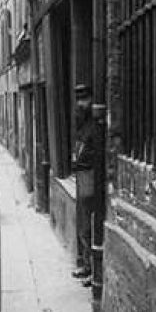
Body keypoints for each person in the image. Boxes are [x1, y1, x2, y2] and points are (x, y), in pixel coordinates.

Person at [71, 83, 95, 287]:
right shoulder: (82, 124)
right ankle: (87, 265)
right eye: (78, 99)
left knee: (88, 223)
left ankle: (92, 271)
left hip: (89, 175)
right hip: (81, 174)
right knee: (82, 223)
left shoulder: (94, 125)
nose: (80, 103)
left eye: (84, 99)